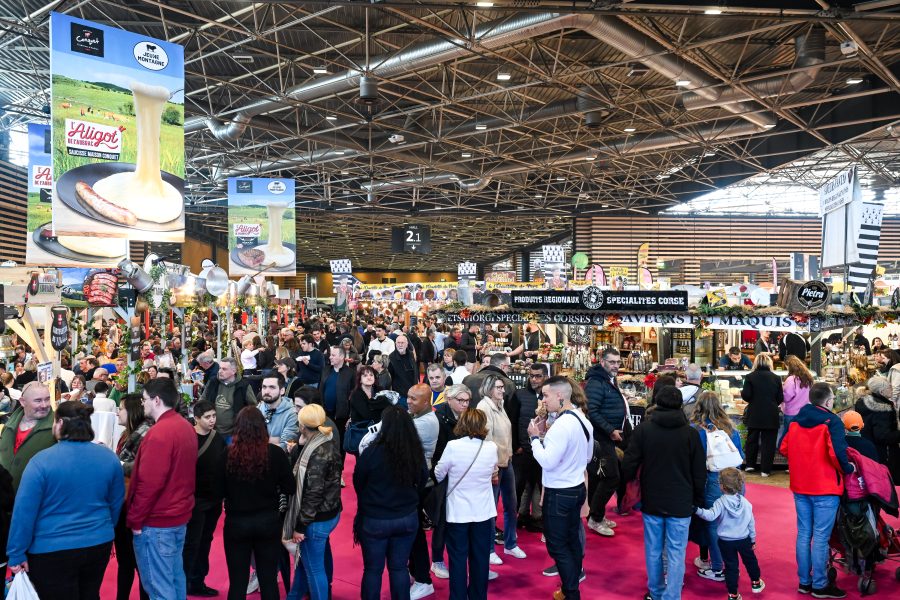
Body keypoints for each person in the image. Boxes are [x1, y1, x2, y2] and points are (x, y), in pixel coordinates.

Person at [7, 401, 125, 600]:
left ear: (60, 423)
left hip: (51, 548)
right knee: (89, 594)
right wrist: (102, 527)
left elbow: (24, 512)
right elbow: (116, 502)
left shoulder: (41, 461)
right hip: (98, 542)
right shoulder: (109, 458)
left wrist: (16, 552)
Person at [622, 385, 706, 600]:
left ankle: (656, 591)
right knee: (677, 552)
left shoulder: (644, 430)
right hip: (682, 501)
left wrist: (628, 485)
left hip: (652, 499)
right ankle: (672, 595)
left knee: (653, 549)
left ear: (657, 402)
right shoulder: (691, 434)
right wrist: (698, 499)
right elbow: (699, 472)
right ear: (681, 404)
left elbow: (629, 464)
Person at [779, 382, 855, 598]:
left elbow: (783, 447)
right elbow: (838, 455)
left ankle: (805, 582)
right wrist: (848, 468)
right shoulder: (832, 422)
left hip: (801, 484)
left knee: (804, 534)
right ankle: (820, 585)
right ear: (829, 401)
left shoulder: (796, 421)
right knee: (820, 537)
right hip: (825, 486)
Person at [127, 378, 197, 600]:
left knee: (159, 587)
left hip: (157, 521)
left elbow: (149, 483)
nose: (143, 403)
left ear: (157, 400)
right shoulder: (185, 427)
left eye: (145, 399)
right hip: (177, 516)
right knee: (175, 579)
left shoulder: (159, 434)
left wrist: (135, 520)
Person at [528, 377, 593, 600]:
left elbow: (546, 461)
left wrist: (535, 439)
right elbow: (588, 456)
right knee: (572, 540)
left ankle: (571, 593)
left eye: (545, 395)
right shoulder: (582, 419)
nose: (543, 400)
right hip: (576, 488)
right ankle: (569, 589)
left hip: (559, 492)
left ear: (560, 396)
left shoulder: (562, 426)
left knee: (557, 546)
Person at [354, 405, 427, 600]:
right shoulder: (415, 453)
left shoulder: (371, 453)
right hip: (407, 517)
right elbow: (422, 481)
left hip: (375, 519)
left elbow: (358, 482)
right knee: (399, 568)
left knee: (372, 570)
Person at [223, 407, 295, 600]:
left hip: (236, 523)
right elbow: (290, 486)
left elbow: (217, 490)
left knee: (237, 583)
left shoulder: (227, 455)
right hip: (268, 522)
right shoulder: (275, 453)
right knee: (268, 580)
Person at [434, 409, 498, 600]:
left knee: (457, 559)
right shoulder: (491, 447)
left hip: (458, 512)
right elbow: (493, 471)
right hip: (484, 512)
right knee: (480, 559)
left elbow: (438, 474)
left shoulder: (453, 446)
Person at [690, 391, 745, 582]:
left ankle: (717, 567)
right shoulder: (731, 428)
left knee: (712, 525)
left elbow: (695, 461)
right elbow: (741, 456)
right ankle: (732, 565)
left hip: (713, 479)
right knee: (732, 524)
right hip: (736, 479)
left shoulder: (696, 430)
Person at [476, 373, 525, 564]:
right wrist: (493, 467)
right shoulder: (483, 407)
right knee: (491, 509)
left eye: (502, 387)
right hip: (494, 466)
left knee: (511, 506)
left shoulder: (500, 405)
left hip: (507, 462)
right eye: (498, 387)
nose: (502, 390)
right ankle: (489, 549)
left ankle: (510, 544)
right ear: (489, 389)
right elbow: (486, 439)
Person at [694, 468, 764, 600]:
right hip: (744, 539)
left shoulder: (720, 502)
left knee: (731, 568)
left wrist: (697, 510)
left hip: (725, 542)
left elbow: (710, 516)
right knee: (751, 561)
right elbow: (751, 523)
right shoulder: (745, 503)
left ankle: (733, 594)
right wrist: (752, 540)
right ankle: (756, 582)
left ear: (722, 486)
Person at [183, 401, 227, 598]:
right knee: (191, 543)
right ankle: (184, 583)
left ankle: (198, 581)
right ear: (196, 418)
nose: (212, 420)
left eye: (214, 416)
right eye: (207, 417)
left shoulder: (217, 438)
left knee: (206, 541)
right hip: (194, 501)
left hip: (214, 499)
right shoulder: (187, 437)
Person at [430, 384, 472, 580]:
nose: (465, 404)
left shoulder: (468, 417)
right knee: (442, 520)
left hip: (464, 475)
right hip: (444, 475)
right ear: (449, 399)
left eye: (467, 400)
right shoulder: (439, 419)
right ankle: (437, 559)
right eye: (460, 400)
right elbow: (437, 452)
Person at [585, 348, 629, 537]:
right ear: (602, 362)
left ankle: (596, 516)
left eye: (618, 362)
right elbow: (592, 411)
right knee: (611, 477)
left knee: (598, 477)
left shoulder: (607, 380)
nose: (616, 366)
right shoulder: (596, 382)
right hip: (601, 437)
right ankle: (595, 518)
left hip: (604, 436)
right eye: (612, 362)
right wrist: (610, 430)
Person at [115, 394, 152, 600]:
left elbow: (145, 470)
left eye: (121, 408)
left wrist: (117, 464)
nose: (117, 412)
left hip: (136, 507)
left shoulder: (145, 435)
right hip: (123, 506)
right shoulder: (126, 435)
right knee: (125, 562)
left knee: (139, 564)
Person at [407, 384, 441, 599]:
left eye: (414, 399)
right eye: (408, 397)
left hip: (420, 485)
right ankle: (416, 573)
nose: (408, 401)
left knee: (414, 532)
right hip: (414, 482)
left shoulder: (426, 422)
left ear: (427, 402)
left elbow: (392, 434)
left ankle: (422, 579)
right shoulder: (419, 417)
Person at [507, 362, 547, 530]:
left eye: (538, 376)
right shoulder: (520, 394)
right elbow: (512, 421)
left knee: (540, 486)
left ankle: (537, 518)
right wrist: (516, 446)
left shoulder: (549, 396)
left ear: (545, 377)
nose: (534, 379)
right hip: (523, 451)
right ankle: (513, 523)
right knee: (517, 487)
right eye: (531, 375)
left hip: (544, 452)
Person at [0, 381, 56, 491]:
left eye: (47, 399)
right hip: (5, 501)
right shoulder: (8, 426)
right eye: (38, 400)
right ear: (22, 402)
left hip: (38, 501)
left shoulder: (58, 427)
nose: (44, 405)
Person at [741, 353, 783, 477]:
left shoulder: (750, 377)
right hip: (771, 414)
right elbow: (780, 398)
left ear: (756, 363)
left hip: (754, 413)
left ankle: (750, 465)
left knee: (752, 439)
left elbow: (747, 396)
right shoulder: (776, 378)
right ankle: (765, 470)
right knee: (768, 443)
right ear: (769, 363)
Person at [200, 357, 257, 443]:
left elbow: (253, 408)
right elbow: (202, 400)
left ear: (233, 371)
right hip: (212, 432)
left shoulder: (243, 386)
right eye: (219, 368)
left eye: (224, 369)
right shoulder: (213, 382)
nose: (220, 371)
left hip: (233, 434)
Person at [854, 375, 900, 480]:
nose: (892, 389)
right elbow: (883, 436)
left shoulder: (862, 402)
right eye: (889, 388)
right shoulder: (883, 409)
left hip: (868, 451)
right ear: (881, 392)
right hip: (885, 454)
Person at [319, 345, 354, 459]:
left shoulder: (350, 373)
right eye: (330, 355)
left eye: (333, 355)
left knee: (340, 441)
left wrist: (351, 415)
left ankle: (339, 466)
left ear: (342, 357)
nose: (330, 357)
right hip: (325, 413)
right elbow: (320, 389)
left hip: (341, 415)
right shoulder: (326, 370)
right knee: (325, 441)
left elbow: (353, 395)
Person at [257, 373, 299, 450]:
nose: (266, 391)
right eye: (264, 387)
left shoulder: (292, 413)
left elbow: (285, 445)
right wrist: (274, 440)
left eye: (272, 387)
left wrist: (261, 441)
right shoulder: (259, 408)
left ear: (282, 390)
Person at [781, 355, 813, 446]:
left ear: (789, 366)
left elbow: (786, 397)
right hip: (805, 412)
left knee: (789, 437)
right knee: (800, 437)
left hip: (791, 413)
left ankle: (788, 453)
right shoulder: (808, 377)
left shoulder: (791, 380)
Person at [389, 335, 418, 405]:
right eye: (398, 343)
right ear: (395, 344)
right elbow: (390, 378)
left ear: (407, 344)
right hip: (400, 395)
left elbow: (415, 371)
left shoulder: (411, 355)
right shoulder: (391, 358)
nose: (400, 345)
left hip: (413, 391)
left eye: (402, 343)